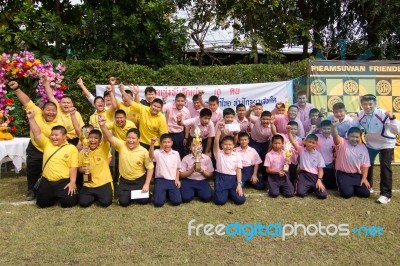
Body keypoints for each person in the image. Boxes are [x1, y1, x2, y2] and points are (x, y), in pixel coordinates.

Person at [8, 81, 61, 201]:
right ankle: (31, 190)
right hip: (35, 147)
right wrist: (17, 88)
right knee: (33, 169)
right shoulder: (36, 112)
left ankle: (54, 189)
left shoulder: (58, 120)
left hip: (51, 149)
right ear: (42, 110)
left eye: (53, 111)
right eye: (48, 110)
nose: (51, 113)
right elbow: (26, 101)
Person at [351, 94, 400, 204]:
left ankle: (385, 194)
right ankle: (368, 186)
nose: (367, 106)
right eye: (365, 104)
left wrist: (392, 117)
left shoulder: (383, 114)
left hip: (386, 144)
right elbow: (353, 127)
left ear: (375, 104)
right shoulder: (360, 114)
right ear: (361, 105)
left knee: (385, 166)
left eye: (370, 104)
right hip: (371, 144)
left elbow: (397, 130)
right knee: (367, 165)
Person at [26, 110, 78, 208]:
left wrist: (72, 182)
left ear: (64, 136)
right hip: (47, 181)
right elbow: (37, 134)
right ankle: (52, 195)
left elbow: (73, 167)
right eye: (52, 135)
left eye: (56, 135)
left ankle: (60, 195)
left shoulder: (71, 148)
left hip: (63, 181)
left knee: (68, 203)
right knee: (42, 204)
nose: (53, 137)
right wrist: (31, 119)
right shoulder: (47, 144)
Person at [99, 117, 154, 207]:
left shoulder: (144, 151)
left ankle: (137, 194)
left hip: (139, 180)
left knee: (144, 200)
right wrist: (103, 126)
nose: (131, 140)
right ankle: (130, 194)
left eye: (133, 138)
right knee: (124, 202)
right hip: (125, 180)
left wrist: (147, 184)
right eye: (129, 138)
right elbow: (109, 137)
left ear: (138, 139)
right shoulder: (122, 145)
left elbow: (150, 168)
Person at [332, 121, 371, 199]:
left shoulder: (363, 147)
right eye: (352, 137)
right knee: (347, 194)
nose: (354, 139)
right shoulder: (342, 143)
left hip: (356, 175)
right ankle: (348, 187)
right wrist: (334, 128)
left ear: (360, 138)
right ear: (347, 136)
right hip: (343, 174)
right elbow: (335, 137)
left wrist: (364, 178)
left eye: (357, 137)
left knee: (365, 194)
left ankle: (353, 187)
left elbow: (365, 165)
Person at [42, 76, 84, 146]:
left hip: (75, 140)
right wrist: (46, 83)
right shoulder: (57, 109)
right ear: (60, 104)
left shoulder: (76, 114)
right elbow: (51, 96)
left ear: (72, 104)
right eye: (64, 103)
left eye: (68, 103)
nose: (66, 104)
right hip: (59, 140)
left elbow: (82, 129)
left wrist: (81, 140)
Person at [287, 125, 327, 199]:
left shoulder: (318, 155)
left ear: (316, 144)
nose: (310, 144)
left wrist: (319, 180)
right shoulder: (301, 150)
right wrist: (289, 132)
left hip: (314, 176)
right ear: (305, 142)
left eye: (313, 143)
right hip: (304, 174)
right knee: (300, 193)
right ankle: (302, 184)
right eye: (309, 142)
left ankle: (312, 187)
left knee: (323, 195)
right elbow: (292, 141)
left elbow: (321, 170)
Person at [78, 129, 113, 207]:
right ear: (88, 139)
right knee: (83, 203)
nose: (93, 140)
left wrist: (102, 125)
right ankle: (93, 196)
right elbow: (79, 168)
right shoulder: (83, 152)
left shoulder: (103, 149)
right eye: (91, 137)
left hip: (103, 182)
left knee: (105, 203)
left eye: (96, 138)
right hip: (88, 182)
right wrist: (82, 169)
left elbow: (106, 138)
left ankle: (99, 195)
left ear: (100, 140)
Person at [213, 122, 245, 205]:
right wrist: (219, 129)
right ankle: (224, 193)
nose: (228, 146)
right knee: (220, 201)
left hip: (232, 179)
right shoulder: (218, 154)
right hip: (221, 178)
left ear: (233, 145)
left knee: (240, 200)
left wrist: (239, 185)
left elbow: (238, 170)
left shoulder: (237, 155)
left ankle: (230, 193)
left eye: (230, 145)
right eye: (225, 145)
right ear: (222, 146)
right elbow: (216, 142)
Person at [150, 134, 182, 207]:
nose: (167, 144)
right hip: (161, 180)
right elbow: (151, 156)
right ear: (160, 143)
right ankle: (163, 192)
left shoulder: (176, 153)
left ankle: (167, 193)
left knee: (176, 202)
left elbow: (178, 167)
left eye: (168, 142)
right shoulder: (157, 152)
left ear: (172, 143)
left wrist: (177, 179)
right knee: (158, 203)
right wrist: (152, 144)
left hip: (172, 180)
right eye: (164, 142)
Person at [179, 138, 214, 203]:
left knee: (207, 197)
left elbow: (210, 175)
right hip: (188, 180)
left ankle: (199, 191)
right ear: (190, 147)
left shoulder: (207, 158)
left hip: (202, 180)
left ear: (202, 147)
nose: (196, 147)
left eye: (198, 145)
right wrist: (191, 170)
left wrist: (202, 171)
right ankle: (192, 191)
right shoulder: (186, 158)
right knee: (185, 198)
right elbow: (181, 175)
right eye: (193, 145)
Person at [163, 93, 191, 158]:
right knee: (167, 153)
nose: (180, 103)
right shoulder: (169, 106)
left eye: (182, 101)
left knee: (179, 154)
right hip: (168, 133)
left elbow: (187, 125)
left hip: (180, 134)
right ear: (175, 101)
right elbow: (161, 109)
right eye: (178, 101)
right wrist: (163, 101)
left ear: (185, 102)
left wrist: (186, 138)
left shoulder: (186, 111)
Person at [315, 120, 336, 189]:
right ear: (321, 129)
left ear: (331, 129)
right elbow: (306, 141)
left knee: (330, 185)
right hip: (317, 164)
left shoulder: (334, 138)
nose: (326, 131)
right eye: (324, 129)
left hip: (328, 163)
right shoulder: (316, 137)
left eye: (328, 129)